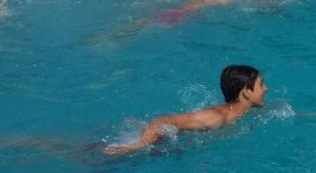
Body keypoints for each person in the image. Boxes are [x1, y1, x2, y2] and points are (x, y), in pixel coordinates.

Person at [104, 65, 267, 155]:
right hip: (150, 148)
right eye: (261, 84)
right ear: (246, 91)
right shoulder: (217, 117)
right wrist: (140, 144)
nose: (265, 88)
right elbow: (164, 120)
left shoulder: (244, 111)